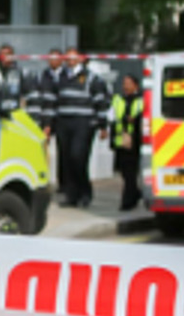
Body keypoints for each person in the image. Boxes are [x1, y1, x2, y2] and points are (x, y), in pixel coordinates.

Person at [52, 48, 110, 208]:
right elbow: (54, 100)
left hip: (83, 123)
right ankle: (72, 196)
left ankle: (85, 192)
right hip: (64, 122)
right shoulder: (60, 77)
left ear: (81, 58)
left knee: (78, 157)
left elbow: (100, 101)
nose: (70, 59)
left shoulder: (91, 78)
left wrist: (102, 125)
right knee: (66, 159)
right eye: (68, 56)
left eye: (73, 55)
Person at [109, 72, 145, 211]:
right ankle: (134, 193)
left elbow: (145, 117)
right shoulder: (118, 99)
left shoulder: (142, 100)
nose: (125, 86)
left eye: (128, 83)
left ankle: (128, 200)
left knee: (131, 172)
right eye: (124, 84)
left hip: (136, 140)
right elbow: (112, 118)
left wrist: (135, 119)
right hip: (121, 140)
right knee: (124, 172)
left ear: (135, 85)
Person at [0, 43, 28, 117]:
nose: (5, 57)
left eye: (8, 54)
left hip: (15, 114)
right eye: (2, 54)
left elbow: (26, 96)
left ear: (13, 56)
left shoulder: (20, 73)